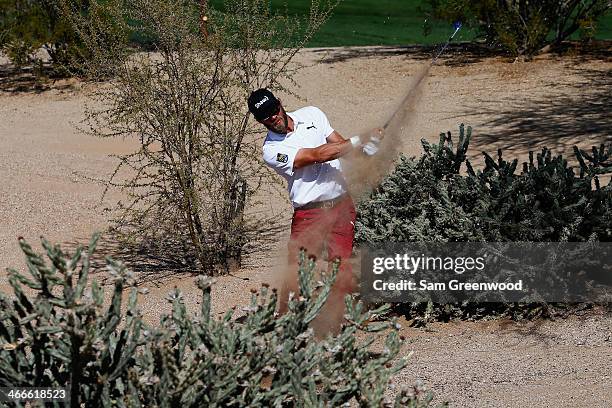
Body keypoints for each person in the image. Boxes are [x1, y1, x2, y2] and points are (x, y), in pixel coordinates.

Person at [247, 88, 382, 325]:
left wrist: (367, 148)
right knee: (297, 271)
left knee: (340, 266)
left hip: (341, 205)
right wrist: (360, 138)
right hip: (309, 213)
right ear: (259, 121)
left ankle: (342, 319)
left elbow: (341, 146)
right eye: (265, 117)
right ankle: (286, 321)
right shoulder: (271, 151)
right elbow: (319, 155)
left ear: (279, 103)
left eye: (273, 110)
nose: (273, 118)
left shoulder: (312, 114)